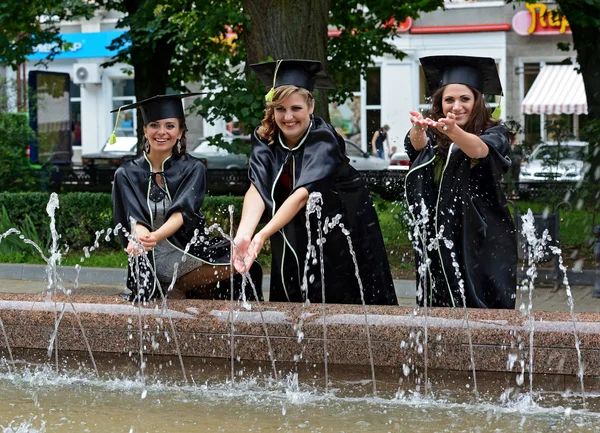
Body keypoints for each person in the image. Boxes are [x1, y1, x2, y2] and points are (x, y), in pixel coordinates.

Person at [233, 59, 397, 305]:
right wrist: (244, 234)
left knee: (336, 292)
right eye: (280, 109)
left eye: (295, 108)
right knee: (291, 286)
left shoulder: (323, 138)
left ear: (311, 106)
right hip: (291, 221)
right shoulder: (265, 138)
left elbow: (301, 194)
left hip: (339, 223)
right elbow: (258, 187)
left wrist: (263, 233)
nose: (288, 117)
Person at [111, 94, 262, 302]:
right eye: (154, 125)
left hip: (186, 252)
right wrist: (143, 239)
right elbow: (133, 217)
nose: (162, 132)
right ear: (145, 131)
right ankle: (168, 287)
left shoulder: (192, 168)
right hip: (150, 256)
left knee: (242, 258)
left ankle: (177, 288)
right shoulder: (126, 173)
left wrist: (156, 236)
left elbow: (183, 212)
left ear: (180, 131)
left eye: (170, 126)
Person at [405, 55, 517, 309]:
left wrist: (453, 132)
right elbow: (419, 148)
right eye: (449, 100)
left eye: (465, 99)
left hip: (483, 235)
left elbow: (479, 151)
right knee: (439, 301)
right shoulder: (437, 132)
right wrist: (419, 129)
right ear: (439, 103)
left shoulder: (494, 132)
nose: (456, 106)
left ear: (477, 101)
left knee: (483, 303)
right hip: (440, 233)